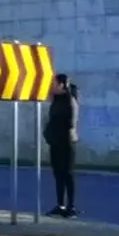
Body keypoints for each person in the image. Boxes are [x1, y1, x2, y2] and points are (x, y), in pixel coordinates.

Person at [44, 74, 80, 217]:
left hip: (66, 142)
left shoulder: (69, 100)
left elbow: (71, 122)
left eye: (54, 83)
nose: (52, 86)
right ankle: (60, 205)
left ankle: (71, 207)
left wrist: (70, 132)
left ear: (62, 84)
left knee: (68, 174)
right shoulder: (56, 100)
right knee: (58, 174)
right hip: (55, 142)